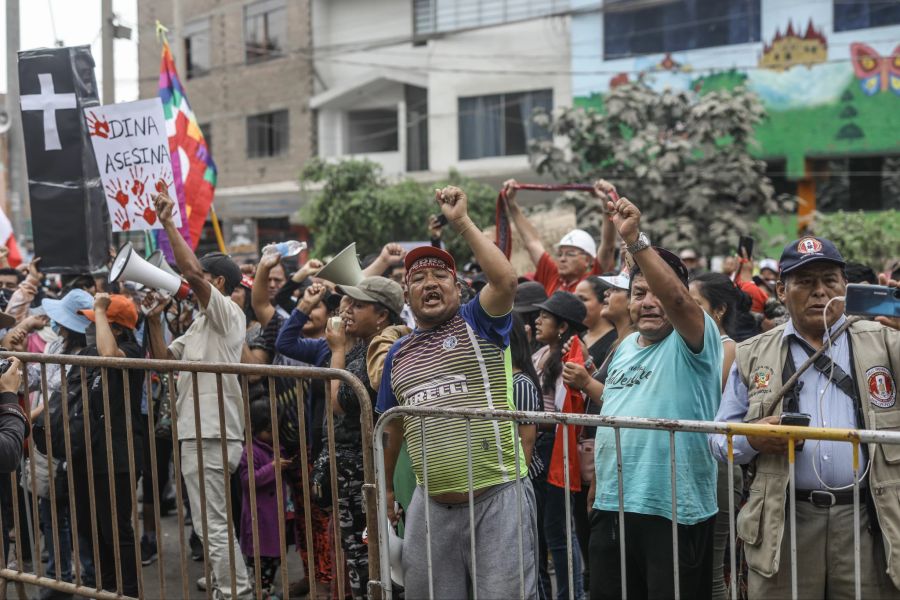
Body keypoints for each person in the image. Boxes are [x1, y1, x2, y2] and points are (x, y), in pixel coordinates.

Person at [709, 236, 900, 599]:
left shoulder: (887, 341)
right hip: (785, 522)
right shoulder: (752, 354)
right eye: (805, 282)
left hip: (868, 519)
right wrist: (750, 440)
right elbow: (718, 439)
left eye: (829, 280)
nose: (819, 292)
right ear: (782, 290)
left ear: (846, 287)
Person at [377, 186, 537, 598]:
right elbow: (391, 430)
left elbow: (505, 279)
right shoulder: (397, 353)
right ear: (406, 295)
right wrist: (389, 488)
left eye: (439, 275)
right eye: (417, 278)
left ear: (457, 287)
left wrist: (461, 222)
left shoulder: (479, 322)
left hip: (498, 498)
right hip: (430, 507)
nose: (429, 284)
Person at [589, 192, 722, 600]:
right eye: (638, 292)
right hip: (613, 508)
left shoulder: (695, 340)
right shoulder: (626, 347)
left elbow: (679, 300)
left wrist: (636, 241)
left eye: (657, 293)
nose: (648, 303)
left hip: (674, 511)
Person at [146, 192, 252, 600]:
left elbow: (190, 272)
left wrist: (169, 223)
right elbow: (162, 364)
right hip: (199, 433)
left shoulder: (227, 312)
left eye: (200, 278)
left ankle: (234, 591)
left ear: (217, 283)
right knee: (211, 521)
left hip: (211, 433)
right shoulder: (198, 328)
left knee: (213, 524)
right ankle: (227, 580)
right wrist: (154, 322)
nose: (190, 282)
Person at [325, 276, 404, 599]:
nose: (347, 311)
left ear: (382, 315)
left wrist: (337, 350)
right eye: (348, 304)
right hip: (361, 469)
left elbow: (340, 403)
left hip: (366, 469)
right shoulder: (368, 346)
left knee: (368, 558)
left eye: (358, 305)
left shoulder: (375, 350)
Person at [72, 293, 144, 598]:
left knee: (116, 529)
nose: (91, 324)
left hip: (118, 454)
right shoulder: (88, 350)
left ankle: (127, 591)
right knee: (90, 527)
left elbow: (109, 356)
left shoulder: (132, 352)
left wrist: (101, 309)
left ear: (115, 327)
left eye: (98, 320)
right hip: (87, 451)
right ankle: (106, 587)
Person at [688, 272, 745, 600]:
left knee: (712, 569)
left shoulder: (728, 350)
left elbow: (711, 401)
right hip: (695, 462)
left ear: (719, 310)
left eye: (695, 305)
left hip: (719, 466)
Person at [532, 291, 589, 600]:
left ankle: (572, 594)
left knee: (558, 530)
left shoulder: (567, 359)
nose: (538, 320)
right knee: (545, 528)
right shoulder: (542, 354)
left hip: (553, 446)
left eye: (545, 316)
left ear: (563, 327)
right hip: (541, 445)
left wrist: (529, 420)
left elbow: (561, 413)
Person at [503, 179, 617, 295]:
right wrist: (511, 204)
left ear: (588, 260)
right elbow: (532, 242)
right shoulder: (552, 276)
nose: (562, 259)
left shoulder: (594, 280)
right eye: (560, 254)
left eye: (570, 254)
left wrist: (606, 203)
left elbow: (608, 245)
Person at [239, 399, 291, 599]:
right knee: (261, 564)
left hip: (275, 520)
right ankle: (262, 593)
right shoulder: (250, 451)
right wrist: (273, 467)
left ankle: (266, 591)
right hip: (259, 522)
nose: (273, 435)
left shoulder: (274, 446)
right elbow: (248, 480)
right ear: (255, 429)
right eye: (269, 431)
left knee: (275, 559)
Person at [574, 276, 617, 369]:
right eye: (574, 299)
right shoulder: (579, 335)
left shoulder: (614, 342)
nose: (576, 303)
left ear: (604, 302)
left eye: (583, 299)